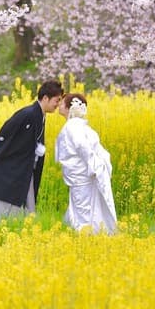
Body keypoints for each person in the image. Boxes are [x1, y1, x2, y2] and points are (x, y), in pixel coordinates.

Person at [0, 79, 65, 222]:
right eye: (57, 100)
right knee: (3, 198)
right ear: (46, 98)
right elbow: (7, 130)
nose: (58, 104)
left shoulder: (40, 115)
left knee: (23, 197)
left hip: (24, 167)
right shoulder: (28, 113)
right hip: (13, 167)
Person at [54, 92, 118, 234]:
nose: (59, 105)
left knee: (82, 212)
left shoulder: (72, 126)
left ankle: (86, 238)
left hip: (80, 177)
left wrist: (93, 165)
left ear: (69, 107)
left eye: (62, 102)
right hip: (81, 176)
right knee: (85, 209)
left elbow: (83, 147)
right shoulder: (81, 126)